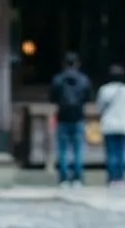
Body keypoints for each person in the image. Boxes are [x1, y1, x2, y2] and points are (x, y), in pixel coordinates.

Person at [49, 52, 92, 188]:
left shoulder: (58, 79)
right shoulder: (84, 80)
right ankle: (78, 178)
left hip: (62, 117)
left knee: (62, 149)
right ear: (77, 64)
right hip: (78, 116)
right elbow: (87, 97)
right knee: (78, 149)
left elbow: (52, 97)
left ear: (64, 64)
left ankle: (63, 178)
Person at [96, 63, 125, 187]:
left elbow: (100, 107)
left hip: (109, 124)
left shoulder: (104, 90)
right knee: (121, 153)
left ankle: (112, 178)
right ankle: (121, 178)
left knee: (111, 153)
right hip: (124, 124)